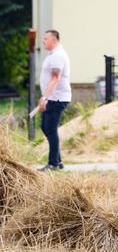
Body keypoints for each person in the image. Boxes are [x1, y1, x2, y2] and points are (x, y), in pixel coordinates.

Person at [38, 30, 71, 171]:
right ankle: (58, 161)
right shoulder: (53, 54)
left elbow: (55, 78)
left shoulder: (57, 56)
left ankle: (53, 164)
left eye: (46, 38)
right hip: (52, 97)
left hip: (57, 98)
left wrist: (44, 97)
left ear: (54, 40)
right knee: (45, 127)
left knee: (50, 129)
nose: (43, 41)